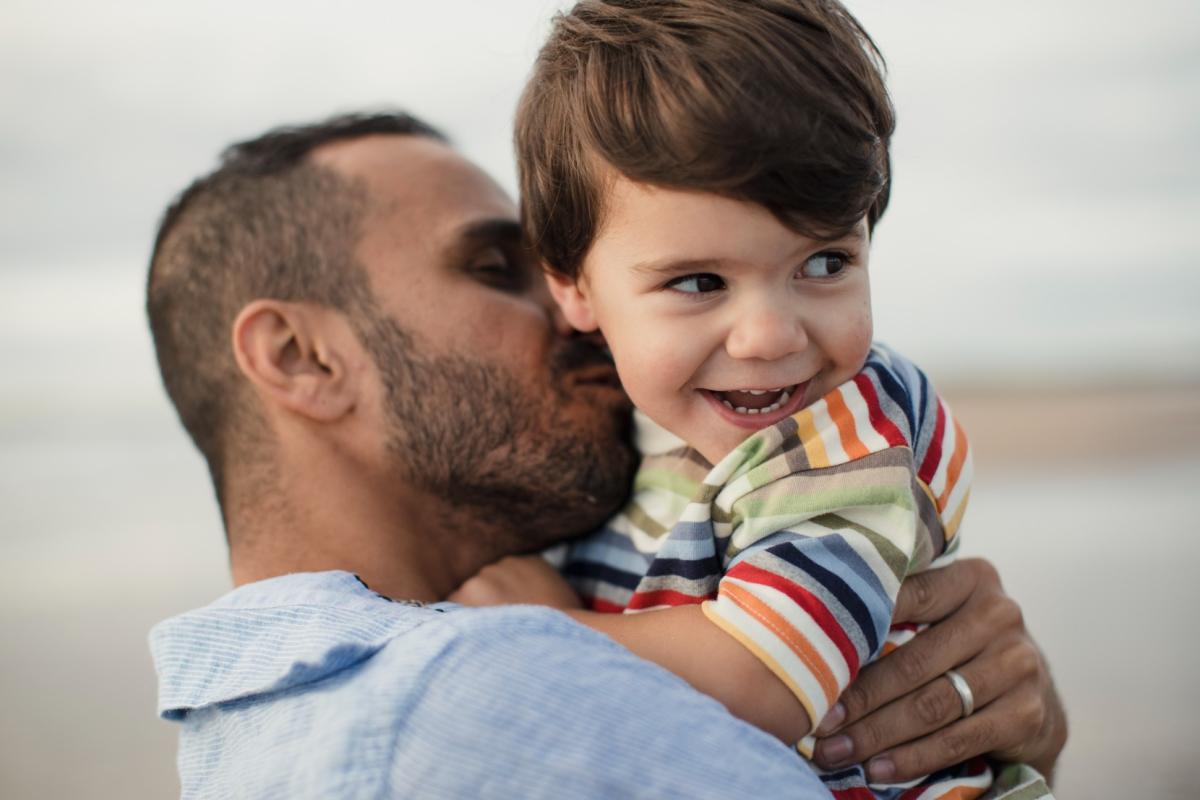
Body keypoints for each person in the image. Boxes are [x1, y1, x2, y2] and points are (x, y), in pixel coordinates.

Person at [146, 112, 1066, 797]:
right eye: (498, 271)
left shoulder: (249, 733)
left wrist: (1003, 738)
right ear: (301, 359)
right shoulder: (487, 696)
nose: (583, 314)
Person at [454, 1, 1054, 797]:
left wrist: (547, 628)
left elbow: (766, 679)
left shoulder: (851, 430)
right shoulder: (627, 419)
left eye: (825, 263)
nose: (770, 335)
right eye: (699, 282)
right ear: (571, 286)